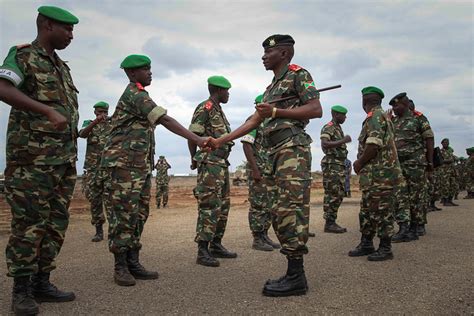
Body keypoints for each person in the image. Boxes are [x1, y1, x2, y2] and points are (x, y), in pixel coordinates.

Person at [209, 34, 323, 296]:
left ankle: (297, 276)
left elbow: (315, 109)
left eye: (268, 52)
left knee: (290, 210)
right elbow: (253, 121)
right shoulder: (272, 87)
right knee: (277, 211)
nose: (263, 56)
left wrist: (276, 112)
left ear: (284, 53)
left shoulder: (298, 75)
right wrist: (220, 140)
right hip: (274, 153)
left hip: (291, 150)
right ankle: (293, 272)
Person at [101, 54, 208, 286]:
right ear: (131, 74)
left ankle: (133, 260)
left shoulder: (142, 94)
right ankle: (120, 266)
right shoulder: (134, 95)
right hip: (122, 166)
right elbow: (165, 120)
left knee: (139, 213)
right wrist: (196, 139)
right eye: (145, 69)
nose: (150, 72)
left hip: (138, 166)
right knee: (124, 215)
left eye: (150, 68)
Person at [0, 6, 79, 315]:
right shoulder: (23, 57)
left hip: (62, 162)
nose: (71, 35)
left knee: (55, 224)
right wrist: (45, 110)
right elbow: (3, 88)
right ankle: (21, 291)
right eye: (67, 29)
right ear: (47, 26)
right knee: (29, 225)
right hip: (31, 162)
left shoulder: (62, 67)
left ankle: (42, 283)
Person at [188, 75, 237, 267]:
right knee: (209, 206)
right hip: (210, 163)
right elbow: (192, 134)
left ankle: (216, 244)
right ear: (218, 90)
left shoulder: (219, 110)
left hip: (221, 164)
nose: (228, 94)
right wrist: (193, 158)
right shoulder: (205, 108)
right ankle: (202, 250)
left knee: (223, 206)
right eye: (227, 91)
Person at [348, 86, 402, 261]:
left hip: (381, 176)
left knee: (381, 211)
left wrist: (359, 162)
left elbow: (373, 145)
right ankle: (366, 243)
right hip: (374, 177)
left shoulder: (375, 117)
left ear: (364, 101)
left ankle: (385, 248)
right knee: (367, 210)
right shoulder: (380, 117)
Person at [389, 93, 434, 241]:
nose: (394, 108)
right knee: (400, 196)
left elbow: (429, 139)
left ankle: (416, 226)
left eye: (396, 105)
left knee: (416, 196)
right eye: (393, 106)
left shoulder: (418, 119)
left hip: (415, 164)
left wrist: (430, 162)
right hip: (398, 165)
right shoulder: (393, 121)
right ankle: (404, 227)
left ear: (406, 104)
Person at [241, 94, 280, 251]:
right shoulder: (253, 120)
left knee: (268, 204)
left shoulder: (268, 122)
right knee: (258, 204)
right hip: (258, 170)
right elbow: (246, 145)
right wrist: (255, 170)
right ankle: (257, 238)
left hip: (268, 171)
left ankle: (264, 235)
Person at [79, 101, 112, 242]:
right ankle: (98, 230)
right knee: (95, 200)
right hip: (93, 169)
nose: (102, 115)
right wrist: (95, 123)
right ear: (95, 113)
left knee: (111, 200)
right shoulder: (89, 123)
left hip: (109, 168)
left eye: (104, 112)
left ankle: (114, 230)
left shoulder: (113, 124)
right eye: (99, 113)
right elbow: (82, 134)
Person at [320, 105, 351, 233]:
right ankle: (329, 223)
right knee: (332, 194)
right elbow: (325, 144)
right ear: (336, 114)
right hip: (332, 164)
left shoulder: (337, 128)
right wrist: (343, 140)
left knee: (338, 193)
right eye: (343, 115)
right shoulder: (329, 127)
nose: (345, 117)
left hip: (338, 164)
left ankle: (331, 221)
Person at [439, 139, 458, 206]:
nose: (446, 144)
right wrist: (448, 161)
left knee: (453, 185)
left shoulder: (450, 152)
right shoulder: (440, 152)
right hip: (444, 172)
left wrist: (455, 158)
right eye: (445, 142)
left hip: (452, 171)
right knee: (445, 186)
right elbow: (440, 161)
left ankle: (450, 200)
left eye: (447, 142)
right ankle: (445, 201)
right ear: (442, 143)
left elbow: (454, 159)